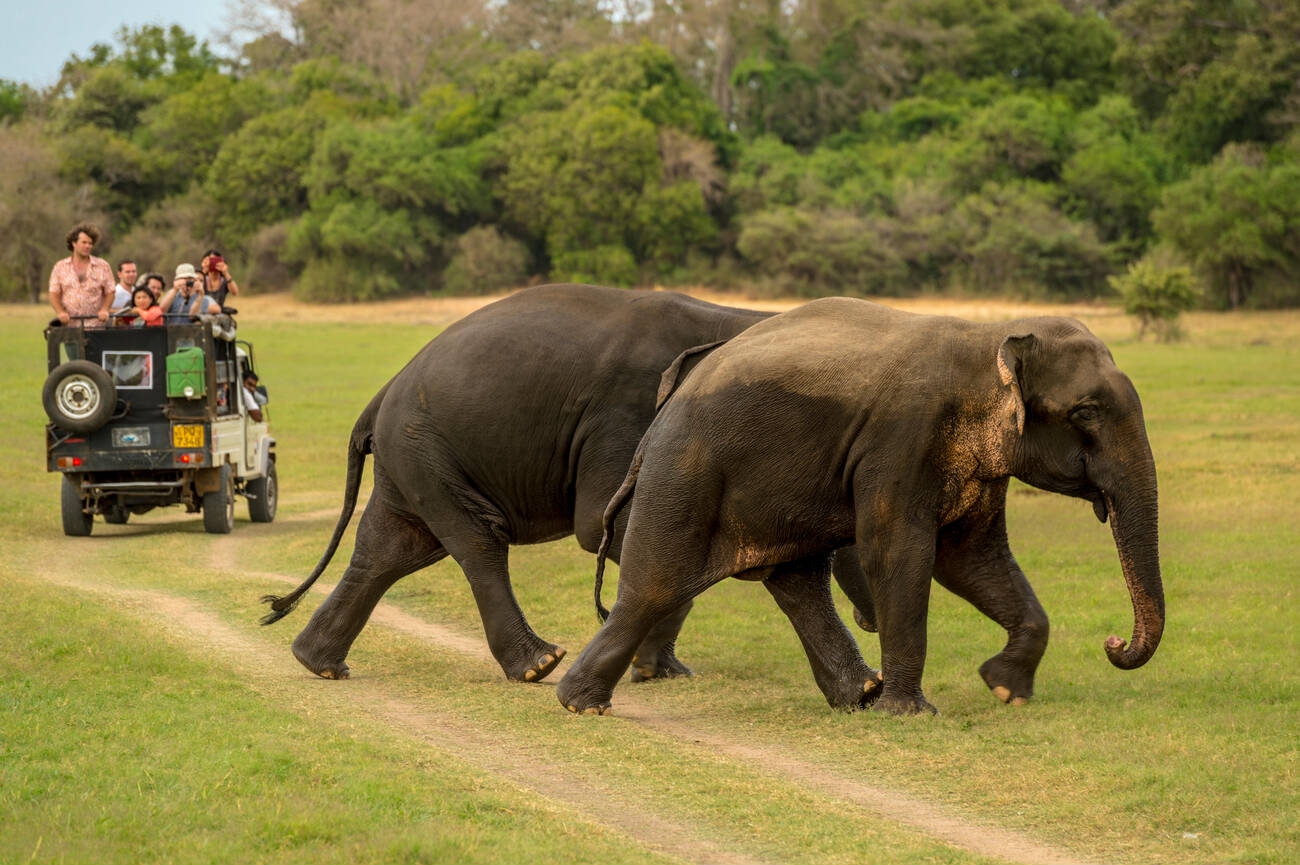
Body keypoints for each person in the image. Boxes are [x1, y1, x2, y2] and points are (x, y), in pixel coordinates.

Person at [48, 223, 115, 328]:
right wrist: (60, 312)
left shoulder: (102, 266)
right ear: (74, 243)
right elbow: (54, 293)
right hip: (70, 326)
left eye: (90, 243)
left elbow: (110, 291)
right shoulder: (60, 267)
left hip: (96, 326)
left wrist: (105, 309)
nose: (88, 246)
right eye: (84, 242)